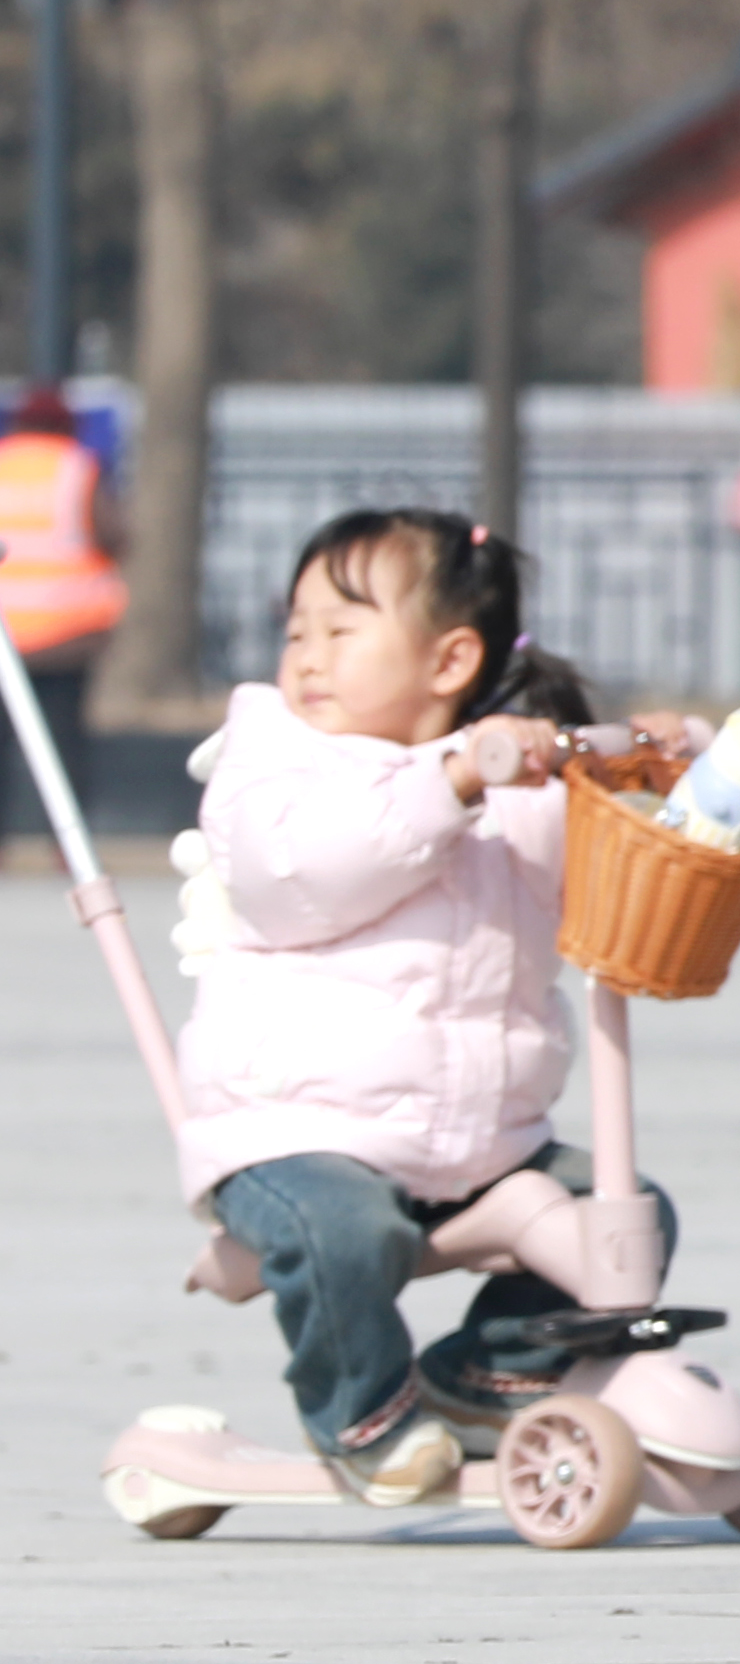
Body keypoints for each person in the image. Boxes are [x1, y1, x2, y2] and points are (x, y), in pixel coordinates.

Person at [179, 513, 665, 1504]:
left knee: (628, 1214)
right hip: (299, 1130)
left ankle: (480, 1380)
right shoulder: (273, 766)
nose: (308, 657)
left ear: (450, 659)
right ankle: (363, 1414)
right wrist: (451, 782)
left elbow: (594, 894)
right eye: (296, 630)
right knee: (342, 1230)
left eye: (341, 629)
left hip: (483, 1144)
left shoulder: (506, 775)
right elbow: (305, 873)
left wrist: (645, 787)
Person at [0, 379, 121, 749]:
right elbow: (116, 536)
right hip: (66, 636)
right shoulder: (78, 469)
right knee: (60, 748)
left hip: (5, 635)